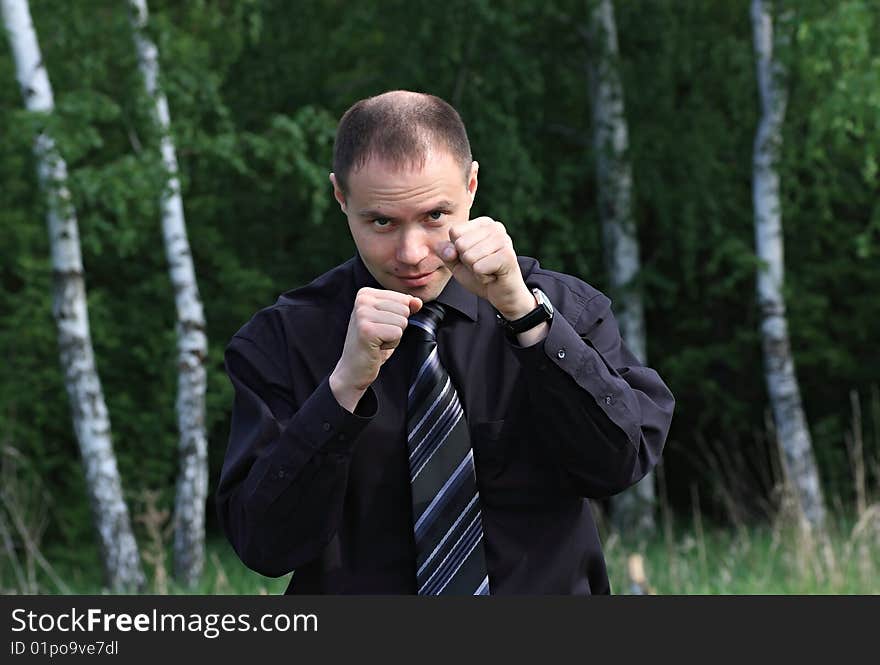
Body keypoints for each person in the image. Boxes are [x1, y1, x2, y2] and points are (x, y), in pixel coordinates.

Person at [216, 90, 674, 595]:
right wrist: (343, 389)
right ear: (340, 198)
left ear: (472, 185)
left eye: (435, 216)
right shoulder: (282, 341)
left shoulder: (563, 308)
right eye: (382, 222)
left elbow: (621, 463)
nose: (411, 254)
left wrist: (527, 319)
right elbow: (264, 546)